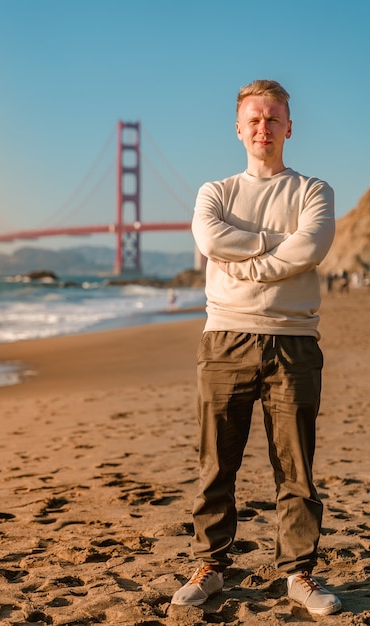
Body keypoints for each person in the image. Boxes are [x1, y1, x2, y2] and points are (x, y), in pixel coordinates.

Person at [171, 79, 342, 617]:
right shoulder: (213, 192)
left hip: (295, 340)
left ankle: (299, 573)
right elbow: (210, 240)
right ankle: (212, 567)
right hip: (224, 338)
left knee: (295, 467)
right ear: (239, 129)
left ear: (289, 127)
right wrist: (278, 247)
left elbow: (309, 247)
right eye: (254, 119)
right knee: (216, 462)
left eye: (273, 119)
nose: (263, 128)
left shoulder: (315, 191)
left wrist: (250, 263)